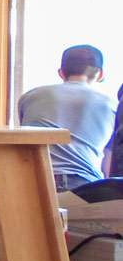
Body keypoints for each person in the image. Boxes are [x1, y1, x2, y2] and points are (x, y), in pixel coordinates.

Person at [17, 44, 115, 192]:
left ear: (61, 72)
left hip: (33, 181)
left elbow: (24, 141)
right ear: (100, 75)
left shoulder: (31, 96)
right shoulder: (112, 105)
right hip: (84, 185)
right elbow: (109, 161)